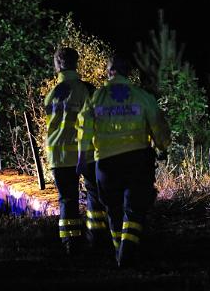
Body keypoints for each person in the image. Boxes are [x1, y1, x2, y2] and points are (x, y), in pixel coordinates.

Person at [77, 53, 171, 268]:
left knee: (114, 209)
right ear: (129, 73)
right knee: (135, 209)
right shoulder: (142, 96)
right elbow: (157, 123)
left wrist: (83, 157)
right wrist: (163, 146)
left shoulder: (96, 97)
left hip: (106, 163)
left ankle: (120, 248)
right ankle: (126, 251)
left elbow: (84, 128)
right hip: (137, 159)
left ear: (109, 72)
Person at [43, 47, 108, 255]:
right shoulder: (86, 90)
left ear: (57, 66)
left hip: (58, 155)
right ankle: (96, 238)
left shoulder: (51, 94)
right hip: (85, 152)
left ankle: (70, 244)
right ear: (76, 63)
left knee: (67, 199)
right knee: (94, 194)